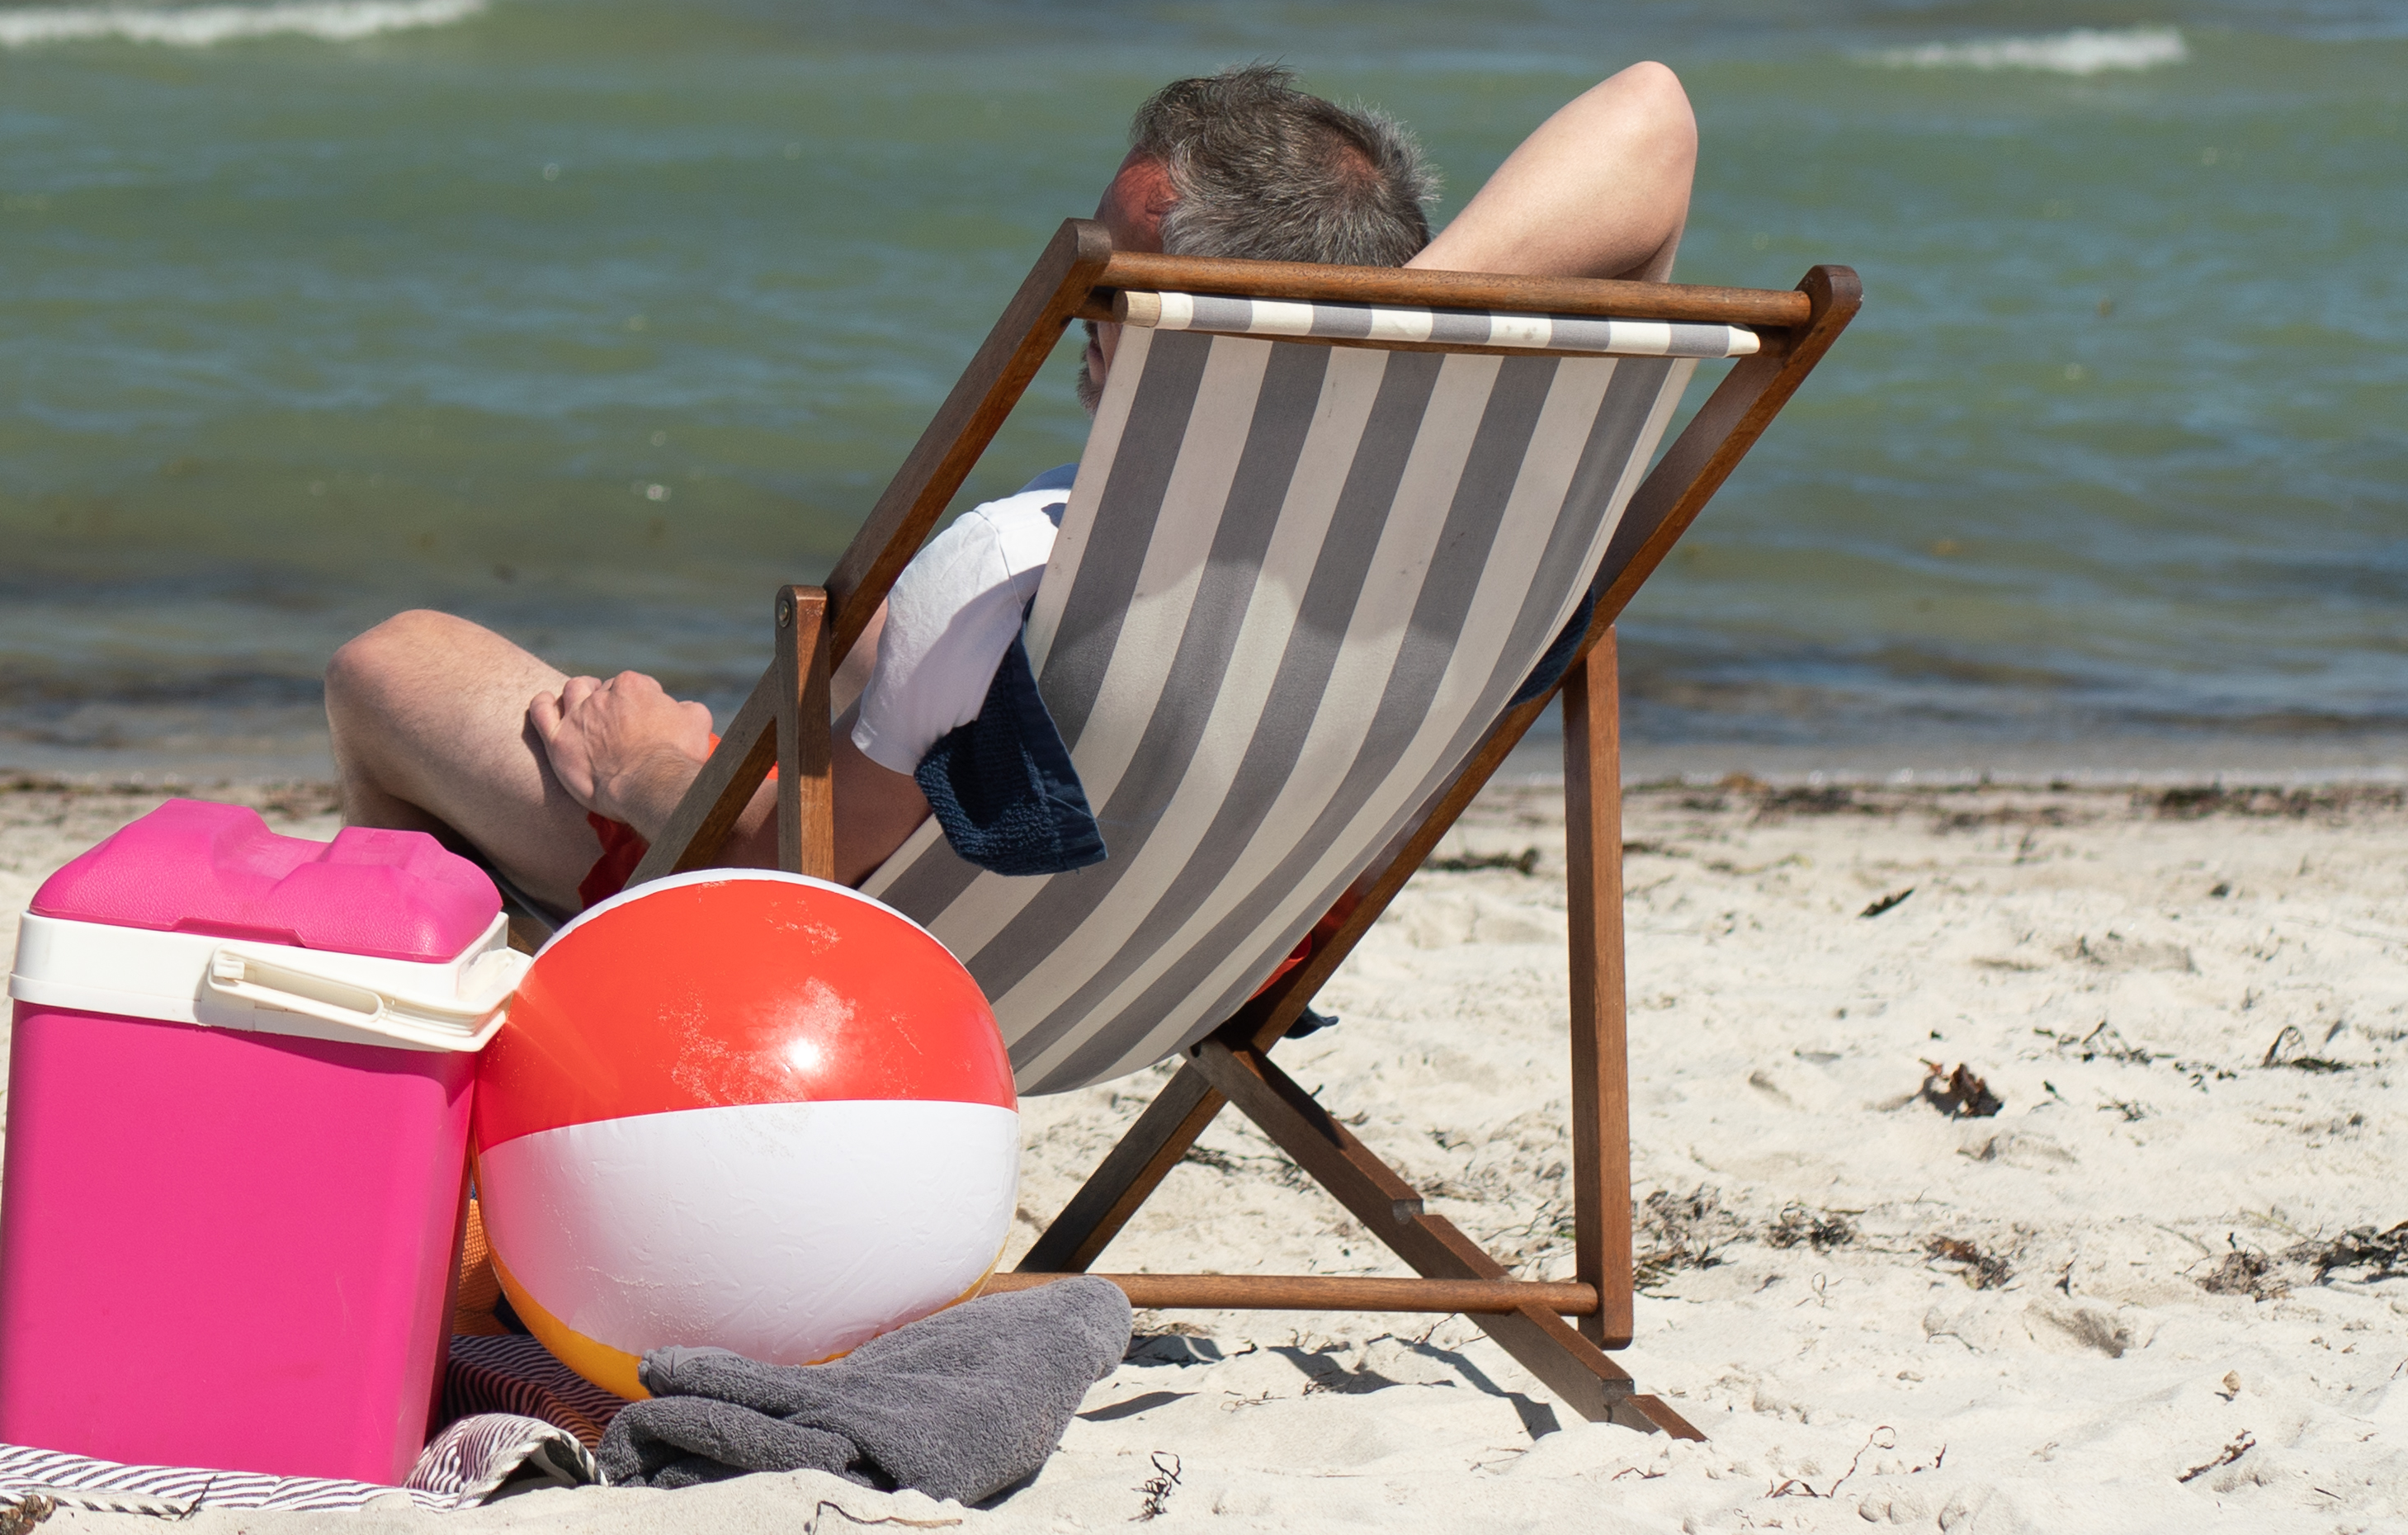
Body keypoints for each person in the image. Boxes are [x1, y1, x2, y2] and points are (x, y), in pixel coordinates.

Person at [323, 58, 1702, 912]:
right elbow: (1654, 118)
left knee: (390, 663)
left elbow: (799, 877)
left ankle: (465, 1067)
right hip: (1207, 930)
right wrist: (1360, 335)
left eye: (1117, 275)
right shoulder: (1491, 507)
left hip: (790, 904)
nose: (1091, 304)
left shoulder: (1027, 575)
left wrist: (649, 764)